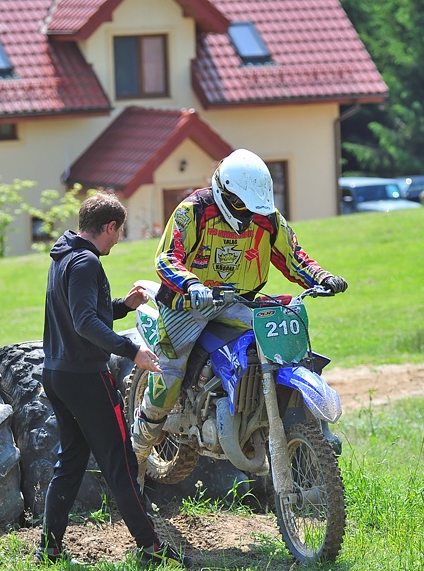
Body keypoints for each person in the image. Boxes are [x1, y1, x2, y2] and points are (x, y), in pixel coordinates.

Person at [130, 148, 348, 467]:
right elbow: (167, 258)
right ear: (222, 189)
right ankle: (137, 446)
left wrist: (321, 277)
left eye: (253, 205)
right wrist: (193, 286)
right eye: (239, 204)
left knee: (276, 348)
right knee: (171, 371)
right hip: (186, 303)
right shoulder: (193, 211)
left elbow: (293, 257)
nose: (247, 212)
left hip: (238, 300)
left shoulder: (268, 218)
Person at [36, 191, 191, 568]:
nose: (119, 239)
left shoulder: (64, 257)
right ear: (108, 227)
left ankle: (50, 548)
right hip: (87, 378)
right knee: (121, 462)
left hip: (56, 374)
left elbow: (85, 312)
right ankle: (152, 547)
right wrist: (131, 350)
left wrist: (124, 306)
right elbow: (85, 323)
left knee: (70, 462)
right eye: (119, 231)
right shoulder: (87, 263)